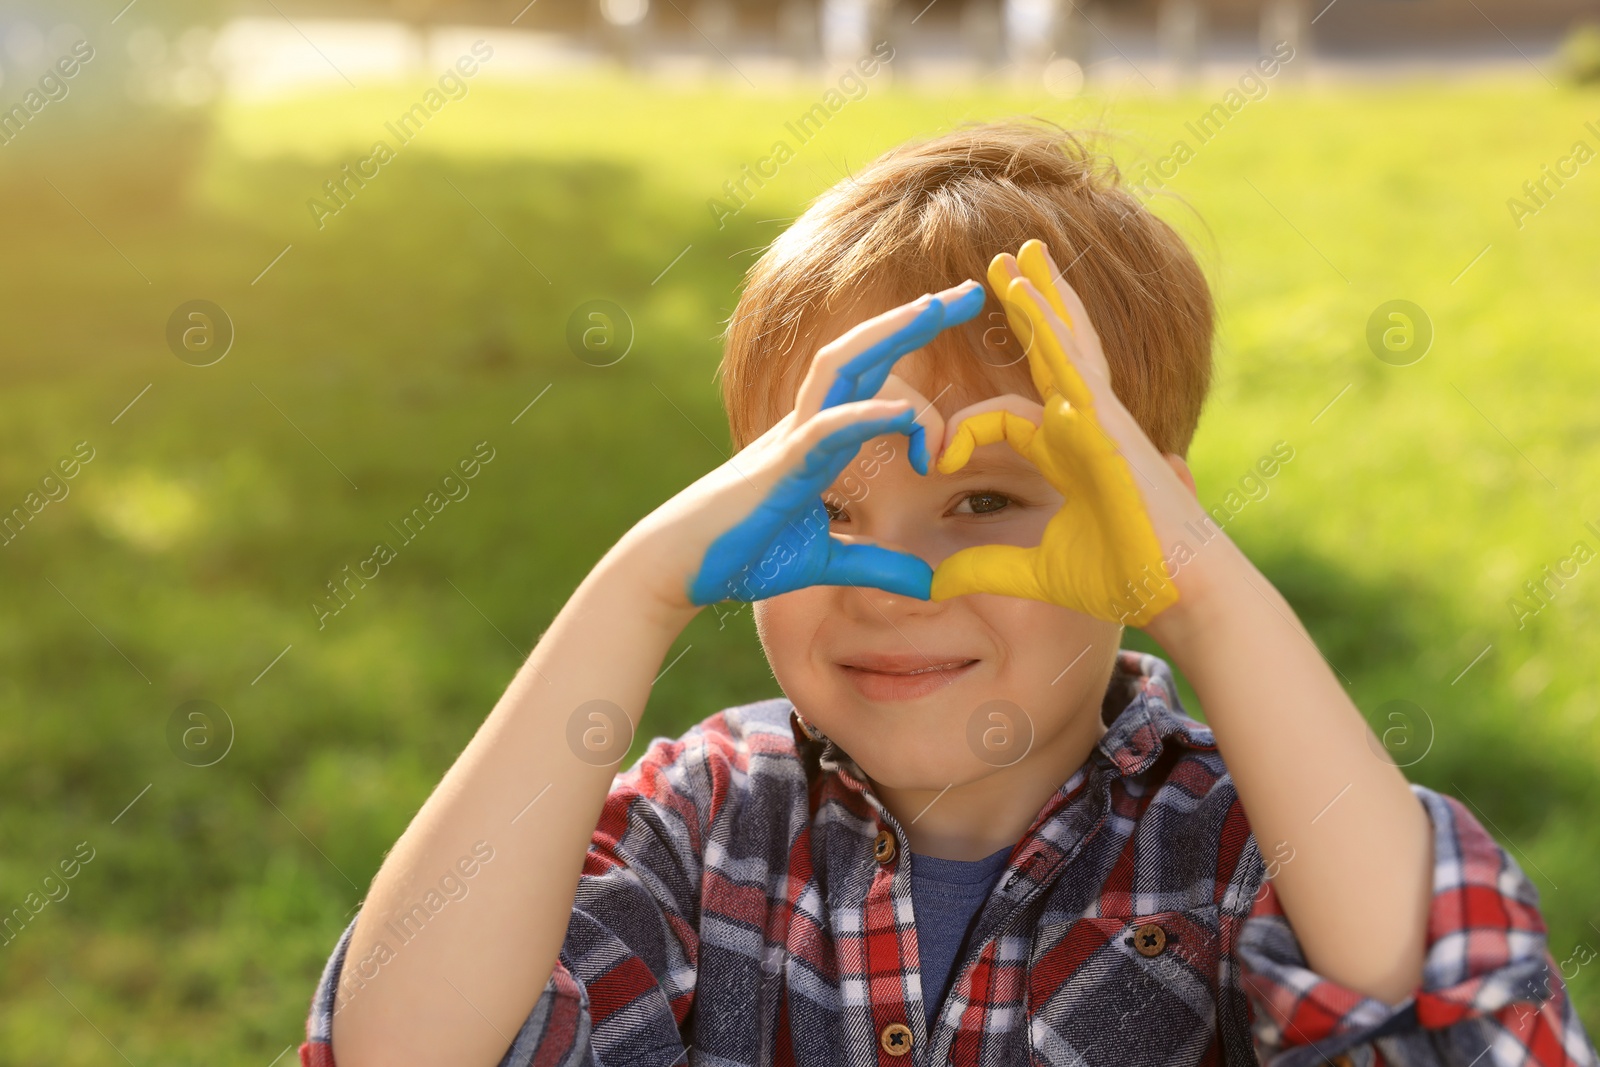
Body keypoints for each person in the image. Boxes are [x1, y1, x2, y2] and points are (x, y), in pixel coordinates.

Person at [299, 118, 1596, 1067]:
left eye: (985, 504)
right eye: (826, 509)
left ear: (1152, 511)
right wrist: (632, 591)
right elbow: (403, 1047)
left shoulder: (1248, 846)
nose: (896, 584)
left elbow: (1449, 1022)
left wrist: (1204, 594)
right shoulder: (699, 827)